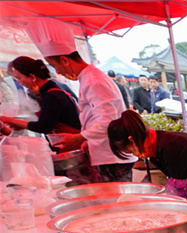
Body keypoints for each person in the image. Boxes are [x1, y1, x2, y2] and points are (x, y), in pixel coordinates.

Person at [27, 19, 136, 182]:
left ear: (64, 60)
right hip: (106, 152)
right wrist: (89, 140)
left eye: (54, 65)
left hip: (112, 156)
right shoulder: (88, 78)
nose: (57, 71)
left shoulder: (94, 81)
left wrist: (80, 137)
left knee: (119, 203)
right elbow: (97, 118)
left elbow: (108, 121)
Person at [0, 56, 81, 136]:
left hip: (73, 143)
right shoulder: (47, 92)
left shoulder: (52, 95)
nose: (19, 82)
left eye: (19, 78)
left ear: (32, 77)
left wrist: (9, 120)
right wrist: (21, 125)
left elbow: (43, 126)